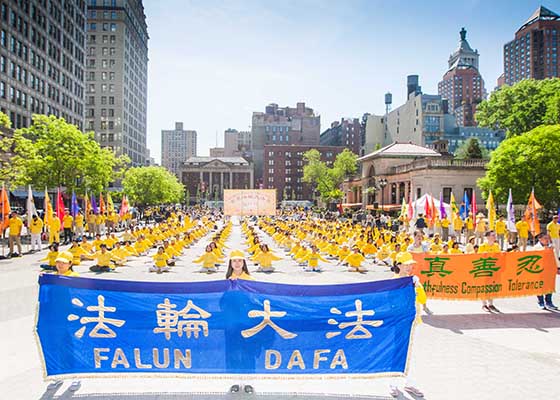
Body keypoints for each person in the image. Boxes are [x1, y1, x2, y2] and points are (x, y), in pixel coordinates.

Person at [389, 252, 426, 398]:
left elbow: (423, 299)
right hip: (398, 323)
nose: (410, 266)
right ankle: (393, 383)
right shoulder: (393, 283)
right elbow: (391, 304)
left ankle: (408, 383)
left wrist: (417, 287)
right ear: (399, 265)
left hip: (413, 322)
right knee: (396, 352)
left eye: (411, 264)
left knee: (411, 353)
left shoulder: (414, 280)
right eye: (407, 264)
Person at [533, 233, 558, 310]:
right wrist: (545, 250)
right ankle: (541, 302)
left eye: (548, 238)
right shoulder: (536, 247)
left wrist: (558, 267)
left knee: (549, 285)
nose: (547, 240)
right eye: (545, 238)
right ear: (540, 239)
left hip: (549, 269)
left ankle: (549, 302)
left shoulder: (551, 247)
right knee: (540, 286)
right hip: (539, 270)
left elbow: (555, 258)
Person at [478, 231, 501, 313]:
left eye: (495, 235)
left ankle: (491, 303)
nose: (494, 237)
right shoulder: (482, 246)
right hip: (484, 270)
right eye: (493, 235)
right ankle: (484, 304)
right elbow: (478, 257)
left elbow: (499, 256)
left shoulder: (496, 246)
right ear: (487, 237)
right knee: (484, 287)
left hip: (493, 269)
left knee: (492, 286)